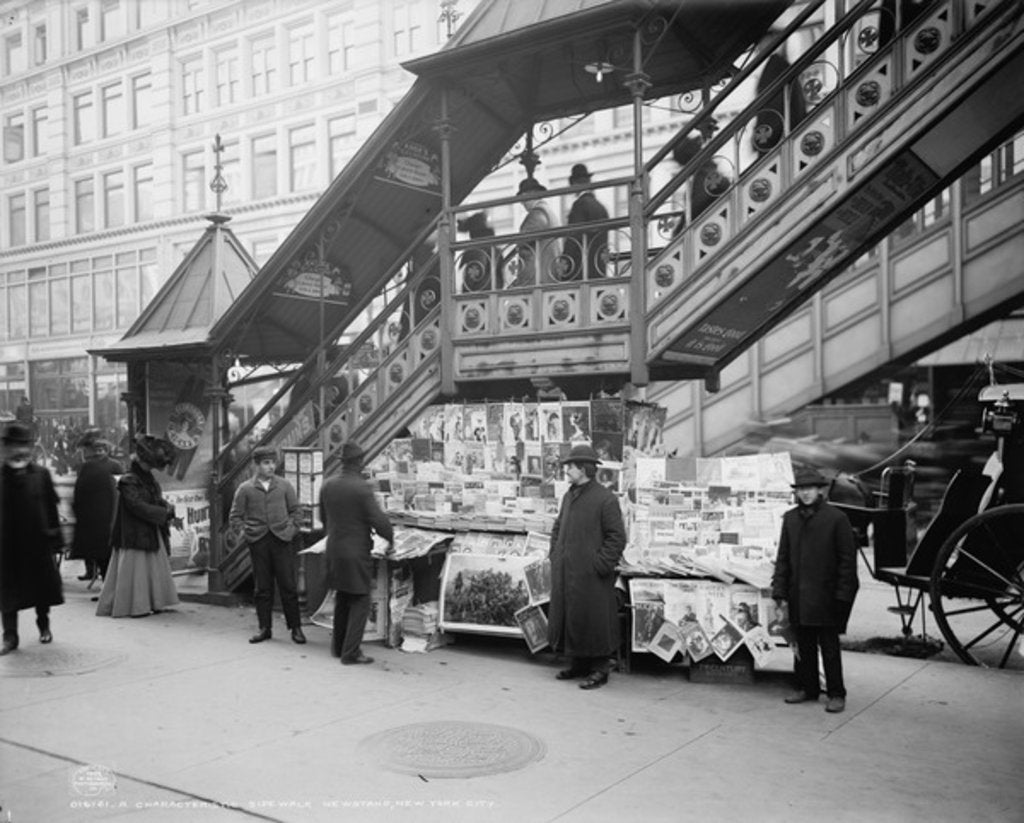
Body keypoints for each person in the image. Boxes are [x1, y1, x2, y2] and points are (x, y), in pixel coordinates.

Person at [771, 465, 859, 714]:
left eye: (810, 489)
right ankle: (807, 688)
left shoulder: (836, 519)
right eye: (801, 490)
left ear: (820, 491)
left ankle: (836, 693)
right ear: (796, 493)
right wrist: (780, 591)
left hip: (827, 596)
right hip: (798, 594)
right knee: (803, 646)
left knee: (829, 648)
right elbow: (783, 558)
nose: (806, 494)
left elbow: (847, 562)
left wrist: (842, 596)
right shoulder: (790, 519)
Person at [548, 443, 627, 690]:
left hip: (591, 574)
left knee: (593, 620)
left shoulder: (605, 499)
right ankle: (579, 664)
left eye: (571, 465)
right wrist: (555, 554)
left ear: (584, 468)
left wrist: (599, 565)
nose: (567, 469)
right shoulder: (569, 496)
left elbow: (617, 537)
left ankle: (600, 669)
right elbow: (558, 527)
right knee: (573, 617)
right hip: (567, 571)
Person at [320, 442, 394, 665]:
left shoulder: (327, 485)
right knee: (361, 599)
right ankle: (350, 652)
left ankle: (338, 647)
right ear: (359, 462)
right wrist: (390, 538)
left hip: (333, 548)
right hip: (356, 551)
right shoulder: (361, 488)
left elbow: (324, 519)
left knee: (342, 597)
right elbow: (378, 520)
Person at [96, 434, 181, 618]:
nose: (152, 468)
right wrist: (162, 512)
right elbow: (136, 506)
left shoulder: (146, 478)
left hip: (147, 530)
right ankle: (138, 606)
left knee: (148, 569)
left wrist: (165, 505)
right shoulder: (129, 480)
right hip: (133, 533)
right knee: (138, 571)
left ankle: (152, 602)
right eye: (150, 465)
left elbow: (152, 499)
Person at [228, 446, 305, 644]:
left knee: (288, 585)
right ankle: (265, 628)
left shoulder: (285, 485)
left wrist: (289, 532)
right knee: (262, 587)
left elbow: (297, 512)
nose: (271, 467)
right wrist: (246, 533)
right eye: (266, 463)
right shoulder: (245, 489)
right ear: (256, 465)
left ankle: (295, 628)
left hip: (281, 540)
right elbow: (235, 517)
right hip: (258, 542)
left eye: (272, 462)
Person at [0, 422, 64, 655]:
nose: (19, 450)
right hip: (7, 546)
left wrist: (56, 538)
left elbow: (51, 507)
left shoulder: (41, 474)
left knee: (41, 590)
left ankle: (43, 625)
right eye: (13, 445)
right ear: (5, 448)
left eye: (23, 445)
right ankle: (10, 635)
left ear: (29, 448)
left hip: (36, 542)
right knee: (7, 592)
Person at [69, 430, 123, 584]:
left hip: (103, 519)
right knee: (102, 557)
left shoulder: (112, 466)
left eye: (101, 449)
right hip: (99, 520)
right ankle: (95, 575)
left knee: (105, 558)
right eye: (96, 449)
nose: (98, 452)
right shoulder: (87, 467)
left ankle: (108, 591)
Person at [563, 163, 609, 280]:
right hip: (598, 269)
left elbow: (573, 237)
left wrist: (564, 262)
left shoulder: (580, 205)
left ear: (575, 184)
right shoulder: (601, 207)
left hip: (581, 271)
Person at [512, 177, 559, 287]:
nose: (522, 203)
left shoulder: (537, 213)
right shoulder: (548, 211)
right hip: (548, 274)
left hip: (538, 278)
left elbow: (523, 241)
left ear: (530, 194)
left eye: (523, 199)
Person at [457, 211, 496, 292]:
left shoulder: (476, 250)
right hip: (493, 294)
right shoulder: (493, 247)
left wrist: (465, 293)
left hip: (478, 297)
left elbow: (474, 274)